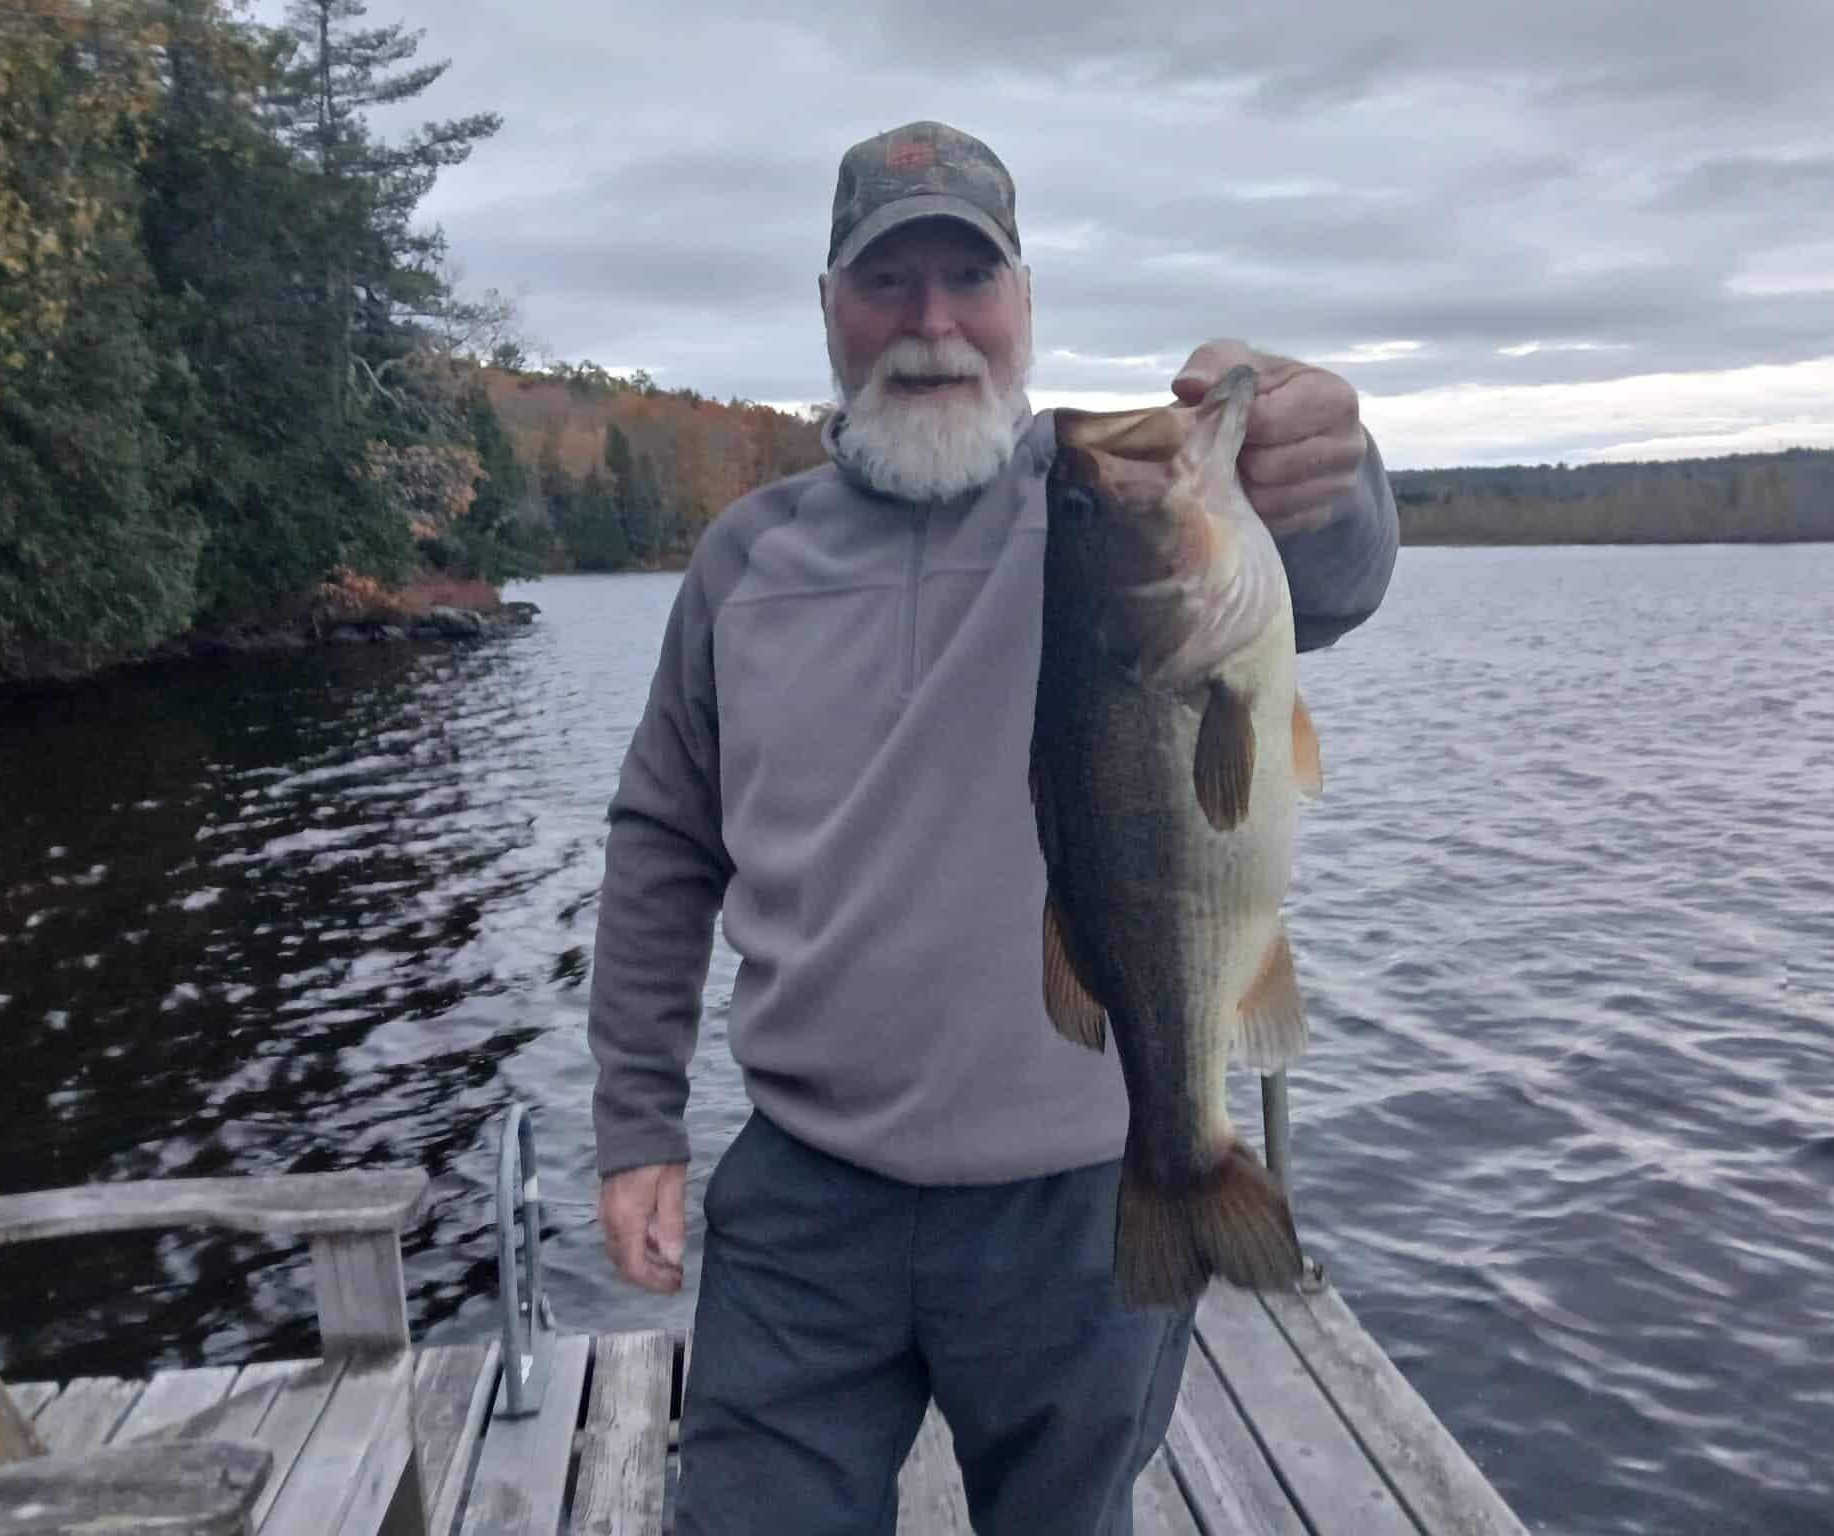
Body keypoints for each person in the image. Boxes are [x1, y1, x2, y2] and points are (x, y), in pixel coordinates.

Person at [587, 119, 1399, 1534]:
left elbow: (1322, 587)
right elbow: (666, 839)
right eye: (888, 283)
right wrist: (635, 1123)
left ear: (1026, 303)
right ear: (829, 311)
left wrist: (1331, 477)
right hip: (804, 1201)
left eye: (971, 277)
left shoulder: (1105, 503)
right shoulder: (744, 560)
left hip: (1082, 1203)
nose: (933, 323)